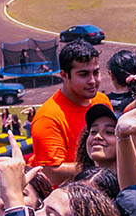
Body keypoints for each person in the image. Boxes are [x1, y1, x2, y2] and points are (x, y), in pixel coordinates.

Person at [31, 40, 112, 185]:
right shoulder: (48, 117)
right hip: (70, 201)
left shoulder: (102, 101)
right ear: (64, 75)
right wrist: (101, 164)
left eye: (96, 72)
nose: (92, 80)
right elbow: (51, 173)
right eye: (83, 74)